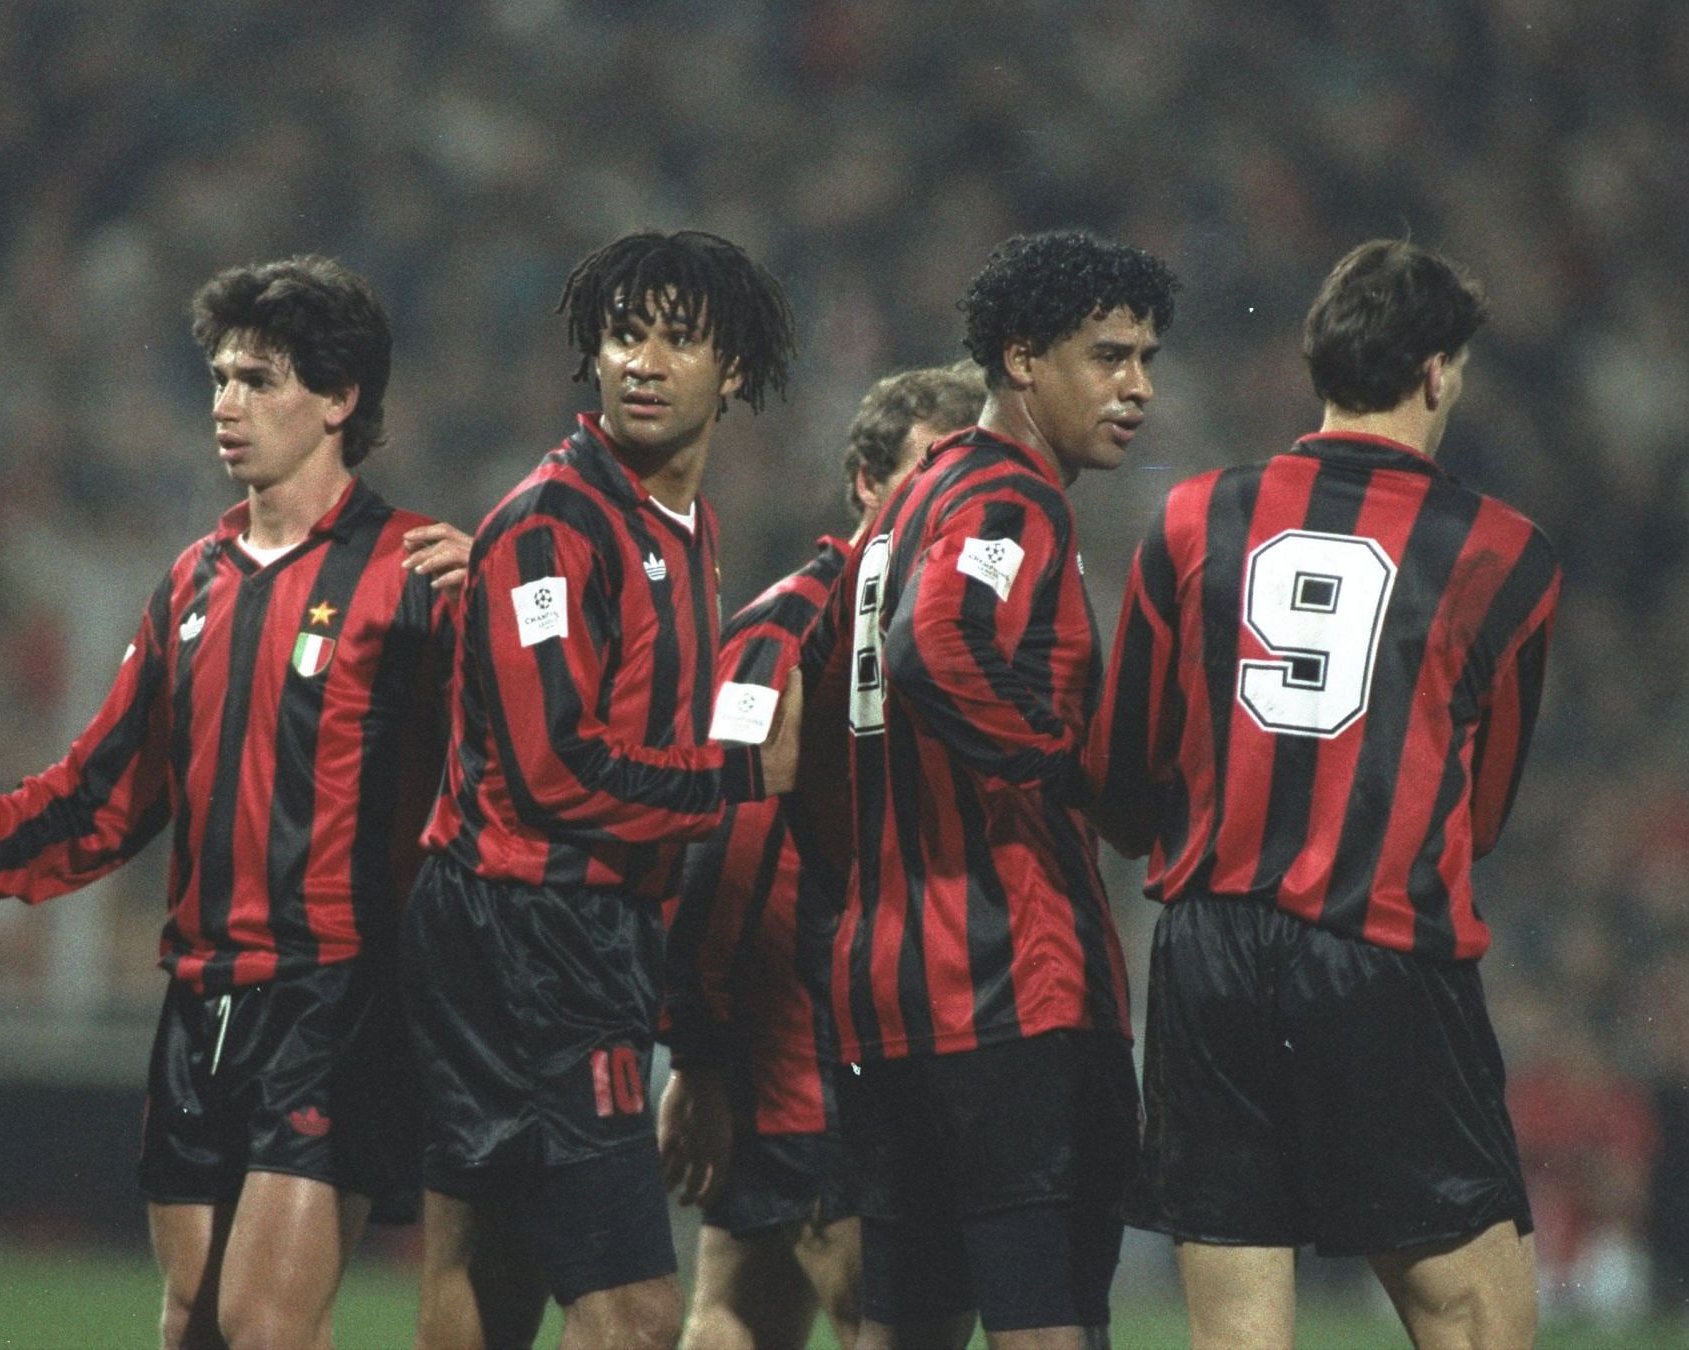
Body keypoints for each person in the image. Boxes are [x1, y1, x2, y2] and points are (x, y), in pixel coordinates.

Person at [0, 256, 455, 1350]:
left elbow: (517, 763)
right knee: (195, 1323)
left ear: (340, 401)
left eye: (262, 379)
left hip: (336, 998)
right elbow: (105, 791)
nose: (227, 405)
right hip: (200, 998)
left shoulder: (418, 574)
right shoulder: (194, 581)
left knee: (263, 1326)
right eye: (222, 377)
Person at [1088, 238, 1561, 1350]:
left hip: (1207, 954)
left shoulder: (1194, 516)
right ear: (1439, 372)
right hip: (1380, 946)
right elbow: (1479, 819)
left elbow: (1120, 781)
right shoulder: (1507, 555)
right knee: (1481, 1324)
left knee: (1240, 1336)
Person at [402, 229, 803, 1350]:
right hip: (528, 929)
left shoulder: (682, 524)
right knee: (632, 1311)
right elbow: (555, 771)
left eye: (678, 340)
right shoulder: (551, 523)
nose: (643, 361)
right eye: (626, 334)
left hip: (562, 929)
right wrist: (738, 777)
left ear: (733, 371)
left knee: (497, 1265)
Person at [814, 229, 1179, 1349]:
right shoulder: (1011, 501)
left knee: (907, 1322)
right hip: (1006, 982)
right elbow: (940, 645)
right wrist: (1059, 767)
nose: (1138, 389)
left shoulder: (892, 517)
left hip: (887, 989)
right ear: (1022, 360)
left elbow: (820, 713)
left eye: (1146, 359)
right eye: (1108, 357)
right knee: (1049, 1320)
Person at [657, 363, 987, 1350]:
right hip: (815, 1056)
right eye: (926, 468)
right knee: (881, 1317)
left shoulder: (949, 629)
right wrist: (703, 1055)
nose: (944, 497)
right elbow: (728, 839)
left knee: (738, 1309)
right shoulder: (796, 624)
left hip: (876, 1040)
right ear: (863, 480)